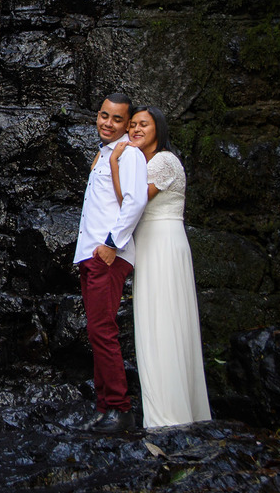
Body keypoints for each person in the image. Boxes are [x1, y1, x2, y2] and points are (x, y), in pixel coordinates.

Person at [110, 106, 211, 428]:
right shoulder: (147, 163)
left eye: (144, 124)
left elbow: (131, 203)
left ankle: (170, 414)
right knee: (158, 319)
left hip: (164, 243)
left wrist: (114, 163)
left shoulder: (164, 161)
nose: (136, 129)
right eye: (133, 124)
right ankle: (177, 407)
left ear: (160, 130)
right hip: (153, 244)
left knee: (164, 320)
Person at [73, 93, 148, 433]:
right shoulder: (105, 154)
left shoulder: (129, 154)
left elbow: (135, 202)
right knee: (96, 332)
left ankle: (120, 409)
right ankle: (105, 408)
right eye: (104, 115)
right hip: (91, 255)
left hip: (107, 255)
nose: (107, 123)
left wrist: (111, 245)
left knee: (103, 331)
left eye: (117, 119)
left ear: (126, 123)